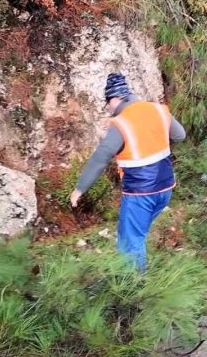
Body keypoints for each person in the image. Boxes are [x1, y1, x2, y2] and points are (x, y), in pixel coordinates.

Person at [70, 73, 186, 272]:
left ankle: (135, 286)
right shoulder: (158, 109)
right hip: (165, 189)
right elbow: (180, 135)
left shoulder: (122, 123)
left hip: (140, 194)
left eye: (107, 103)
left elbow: (101, 157)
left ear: (114, 99)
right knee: (136, 236)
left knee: (130, 243)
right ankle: (137, 275)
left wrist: (79, 189)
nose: (108, 108)